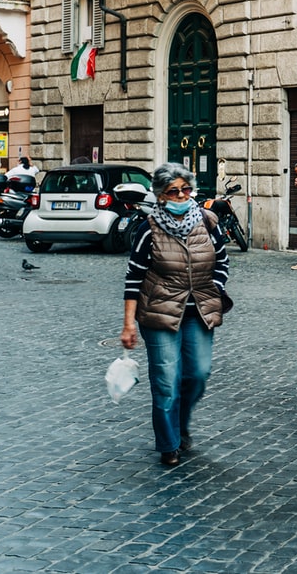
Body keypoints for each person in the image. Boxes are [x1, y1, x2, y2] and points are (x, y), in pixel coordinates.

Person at [119, 162, 231, 467]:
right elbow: (134, 278)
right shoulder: (148, 229)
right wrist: (128, 324)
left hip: (200, 310)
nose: (181, 196)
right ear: (160, 195)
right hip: (159, 312)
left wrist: (215, 285)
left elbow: (222, 260)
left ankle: (181, 424)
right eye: (173, 191)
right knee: (167, 380)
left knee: (197, 374)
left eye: (185, 189)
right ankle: (169, 443)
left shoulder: (208, 222)